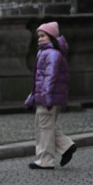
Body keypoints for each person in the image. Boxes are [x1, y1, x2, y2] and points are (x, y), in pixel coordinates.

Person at [26, 22, 76, 169]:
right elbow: (39, 79)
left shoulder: (52, 54)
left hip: (49, 97)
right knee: (42, 126)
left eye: (43, 36)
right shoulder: (45, 52)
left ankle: (46, 160)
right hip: (45, 96)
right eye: (39, 36)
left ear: (52, 37)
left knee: (45, 128)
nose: (40, 39)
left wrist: (45, 96)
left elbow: (50, 77)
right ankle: (66, 146)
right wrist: (33, 96)